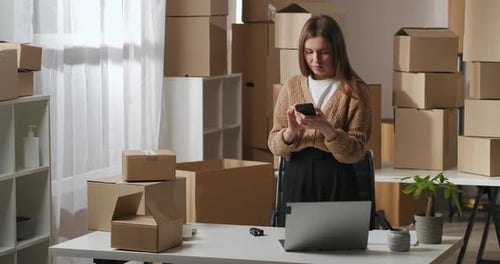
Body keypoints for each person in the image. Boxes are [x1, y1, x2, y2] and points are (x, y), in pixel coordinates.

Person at [268, 14, 372, 227]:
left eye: (324, 52)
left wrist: (327, 129)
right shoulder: (292, 86)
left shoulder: (355, 91)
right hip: (298, 174)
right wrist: (291, 132)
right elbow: (273, 144)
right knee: (297, 249)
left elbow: (357, 150)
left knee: (339, 249)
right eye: (309, 52)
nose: (316, 60)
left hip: (338, 175)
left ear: (337, 52)